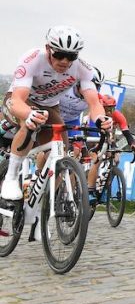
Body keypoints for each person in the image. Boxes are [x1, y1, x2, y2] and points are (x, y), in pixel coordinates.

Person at [1, 26, 112, 203]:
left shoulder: (83, 69)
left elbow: (94, 103)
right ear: (48, 49)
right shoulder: (32, 59)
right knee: (31, 122)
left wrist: (100, 119)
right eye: (59, 54)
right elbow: (17, 100)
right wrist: (28, 114)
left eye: (71, 56)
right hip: (21, 101)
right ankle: (12, 177)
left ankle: (42, 200)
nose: (65, 61)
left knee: (61, 151)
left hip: (50, 107)